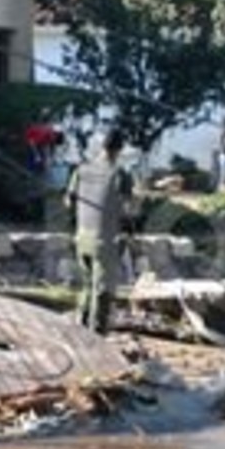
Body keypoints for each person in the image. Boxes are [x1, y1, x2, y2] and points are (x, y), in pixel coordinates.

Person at [66, 128, 132, 333]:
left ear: (102, 146)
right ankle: (97, 340)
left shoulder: (81, 170)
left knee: (87, 287)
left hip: (82, 238)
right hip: (105, 241)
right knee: (103, 293)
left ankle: (80, 332)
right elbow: (129, 209)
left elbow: (68, 202)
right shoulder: (120, 174)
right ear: (120, 149)